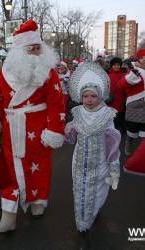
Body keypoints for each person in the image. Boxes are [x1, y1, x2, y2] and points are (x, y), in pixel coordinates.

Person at [0, 19, 66, 233]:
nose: (34, 51)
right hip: (12, 130)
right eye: (30, 48)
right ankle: (8, 216)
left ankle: (38, 201)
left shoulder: (49, 72)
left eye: (37, 47)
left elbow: (56, 102)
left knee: (40, 168)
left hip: (40, 130)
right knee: (11, 171)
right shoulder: (4, 73)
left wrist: (54, 130)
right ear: (19, 50)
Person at [65, 62, 121, 249]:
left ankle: (91, 214)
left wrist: (114, 169)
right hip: (79, 162)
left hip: (100, 163)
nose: (89, 100)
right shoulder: (77, 112)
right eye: (85, 96)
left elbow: (113, 144)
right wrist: (67, 132)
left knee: (96, 192)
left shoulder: (107, 115)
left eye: (93, 96)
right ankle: (82, 224)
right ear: (81, 97)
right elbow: (71, 138)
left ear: (100, 96)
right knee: (79, 191)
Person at [118, 48, 145, 155]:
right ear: (138, 59)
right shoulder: (133, 70)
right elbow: (120, 86)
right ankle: (128, 143)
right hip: (134, 105)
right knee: (132, 131)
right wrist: (131, 78)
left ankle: (140, 154)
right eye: (143, 58)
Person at [106, 57, 126, 131]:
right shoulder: (108, 76)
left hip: (121, 99)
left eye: (118, 65)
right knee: (113, 117)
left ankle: (119, 130)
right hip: (112, 99)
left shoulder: (124, 75)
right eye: (114, 65)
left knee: (120, 115)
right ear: (111, 66)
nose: (116, 66)